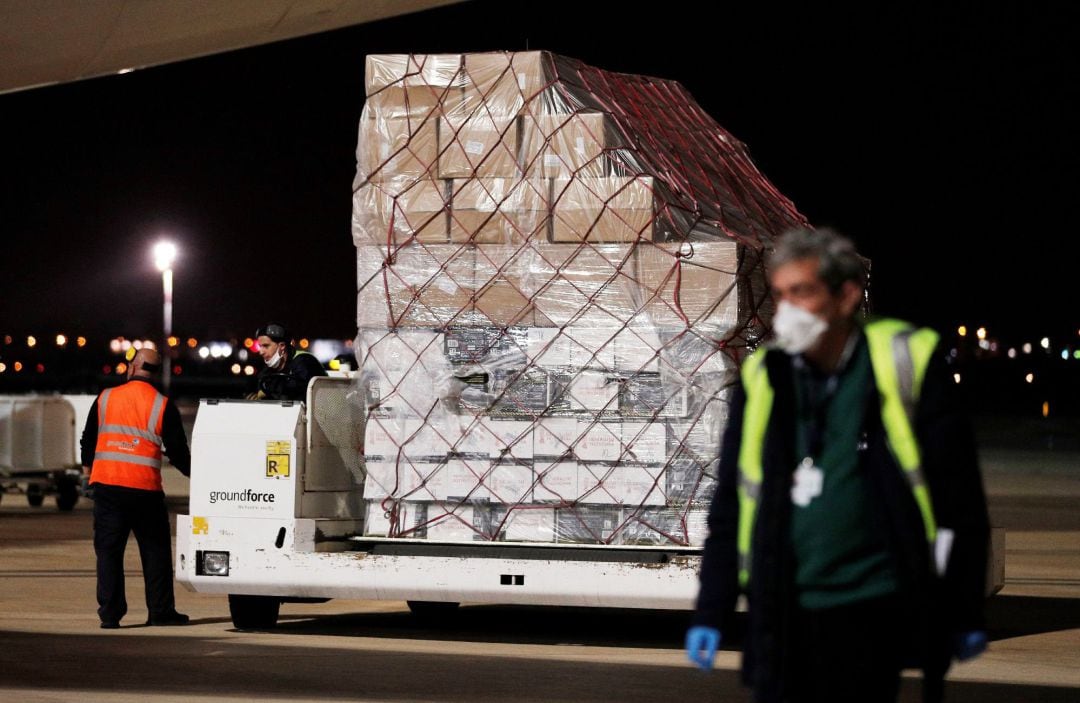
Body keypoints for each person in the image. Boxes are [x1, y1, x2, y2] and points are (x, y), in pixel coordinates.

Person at [685, 227, 990, 702]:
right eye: (780, 294)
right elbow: (731, 502)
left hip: (871, 606)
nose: (787, 309)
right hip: (784, 606)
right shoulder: (766, 376)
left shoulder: (902, 361)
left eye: (802, 292)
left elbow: (960, 499)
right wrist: (712, 607)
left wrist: (964, 607)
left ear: (846, 297)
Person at [81, 347, 191, 629]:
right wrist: (198, 476)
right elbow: (178, 452)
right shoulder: (162, 405)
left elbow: (88, 439)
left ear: (133, 366)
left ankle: (110, 614)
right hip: (145, 491)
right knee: (156, 553)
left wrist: (87, 474)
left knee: (109, 552)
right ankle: (160, 612)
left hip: (108, 487)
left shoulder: (106, 397)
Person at [250, 322, 326, 401]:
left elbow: (300, 391)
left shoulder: (305, 361)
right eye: (260, 346)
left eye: (266, 346)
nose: (261, 352)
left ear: (282, 346)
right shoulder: (267, 370)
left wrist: (268, 391)